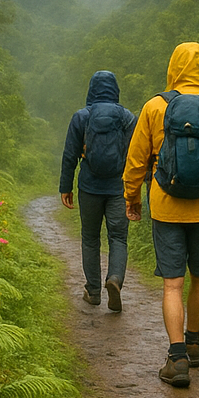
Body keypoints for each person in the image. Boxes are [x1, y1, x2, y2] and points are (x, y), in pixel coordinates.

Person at [123, 42, 199, 387]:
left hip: (166, 205)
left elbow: (138, 157)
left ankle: (176, 357)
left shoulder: (155, 106)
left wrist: (132, 196)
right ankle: (194, 343)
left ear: (173, 66)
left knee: (172, 283)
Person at [60, 70, 136, 312]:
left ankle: (93, 292)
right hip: (118, 188)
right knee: (118, 238)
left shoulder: (82, 117)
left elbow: (70, 154)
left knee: (91, 239)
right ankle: (114, 279)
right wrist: (138, 189)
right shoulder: (127, 118)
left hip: (89, 187)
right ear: (115, 90)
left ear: (91, 90)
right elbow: (136, 156)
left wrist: (65, 186)